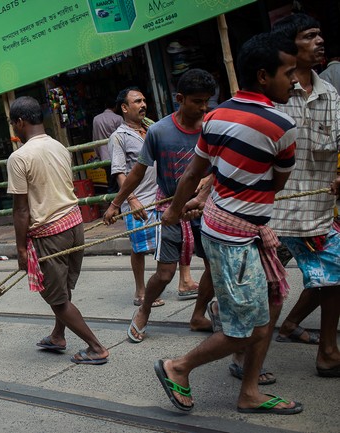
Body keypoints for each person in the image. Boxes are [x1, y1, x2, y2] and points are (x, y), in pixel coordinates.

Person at [155, 32, 302, 414]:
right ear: (264, 76)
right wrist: (183, 207)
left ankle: (249, 390)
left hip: (228, 226)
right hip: (236, 235)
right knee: (250, 328)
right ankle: (178, 367)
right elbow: (275, 183)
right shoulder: (282, 126)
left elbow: (194, 172)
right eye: (289, 73)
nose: (296, 80)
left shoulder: (216, 116)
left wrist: (177, 209)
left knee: (269, 304)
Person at [103, 69, 216, 338]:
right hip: (169, 210)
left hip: (204, 208)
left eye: (206, 101)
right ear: (180, 98)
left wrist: (206, 185)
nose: (203, 107)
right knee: (165, 272)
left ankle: (199, 315)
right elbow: (137, 172)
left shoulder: (213, 126)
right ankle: (143, 310)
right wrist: (117, 203)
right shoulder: (159, 131)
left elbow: (221, 165)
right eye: (196, 101)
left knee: (213, 265)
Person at [7, 96, 109, 365]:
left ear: (19, 122)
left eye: (13, 124)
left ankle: (96, 347)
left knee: (56, 298)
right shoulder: (60, 147)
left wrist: (19, 249)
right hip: (74, 226)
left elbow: (21, 210)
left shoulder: (19, 157)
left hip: (50, 233)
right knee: (62, 289)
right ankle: (57, 335)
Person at [269, 14, 340, 377]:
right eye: (310, 36)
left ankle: (327, 351)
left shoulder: (330, 95)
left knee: (332, 274)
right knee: (265, 291)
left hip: (317, 213)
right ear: (290, 47)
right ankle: (240, 353)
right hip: (273, 216)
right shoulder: (274, 96)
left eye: (320, 34)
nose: (319, 41)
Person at [109, 87, 200, 308]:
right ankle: (141, 290)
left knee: (177, 238)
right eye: (137, 101)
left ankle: (184, 281)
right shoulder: (118, 137)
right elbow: (120, 172)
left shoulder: (153, 129)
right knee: (139, 247)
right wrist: (130, 200)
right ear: (124, 107)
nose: (143, 105)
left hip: (162, 196)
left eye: (144, 101)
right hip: (138, 199)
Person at [92, 99, 123, 193]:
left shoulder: (96, 119)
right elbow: (123, 137)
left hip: (104, 155)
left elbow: (95, 138)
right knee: (122, 182)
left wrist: (98, 154)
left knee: (111, 183)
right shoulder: (118, 118)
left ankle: (113, 205)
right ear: (116, 106)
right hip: (118, 155)